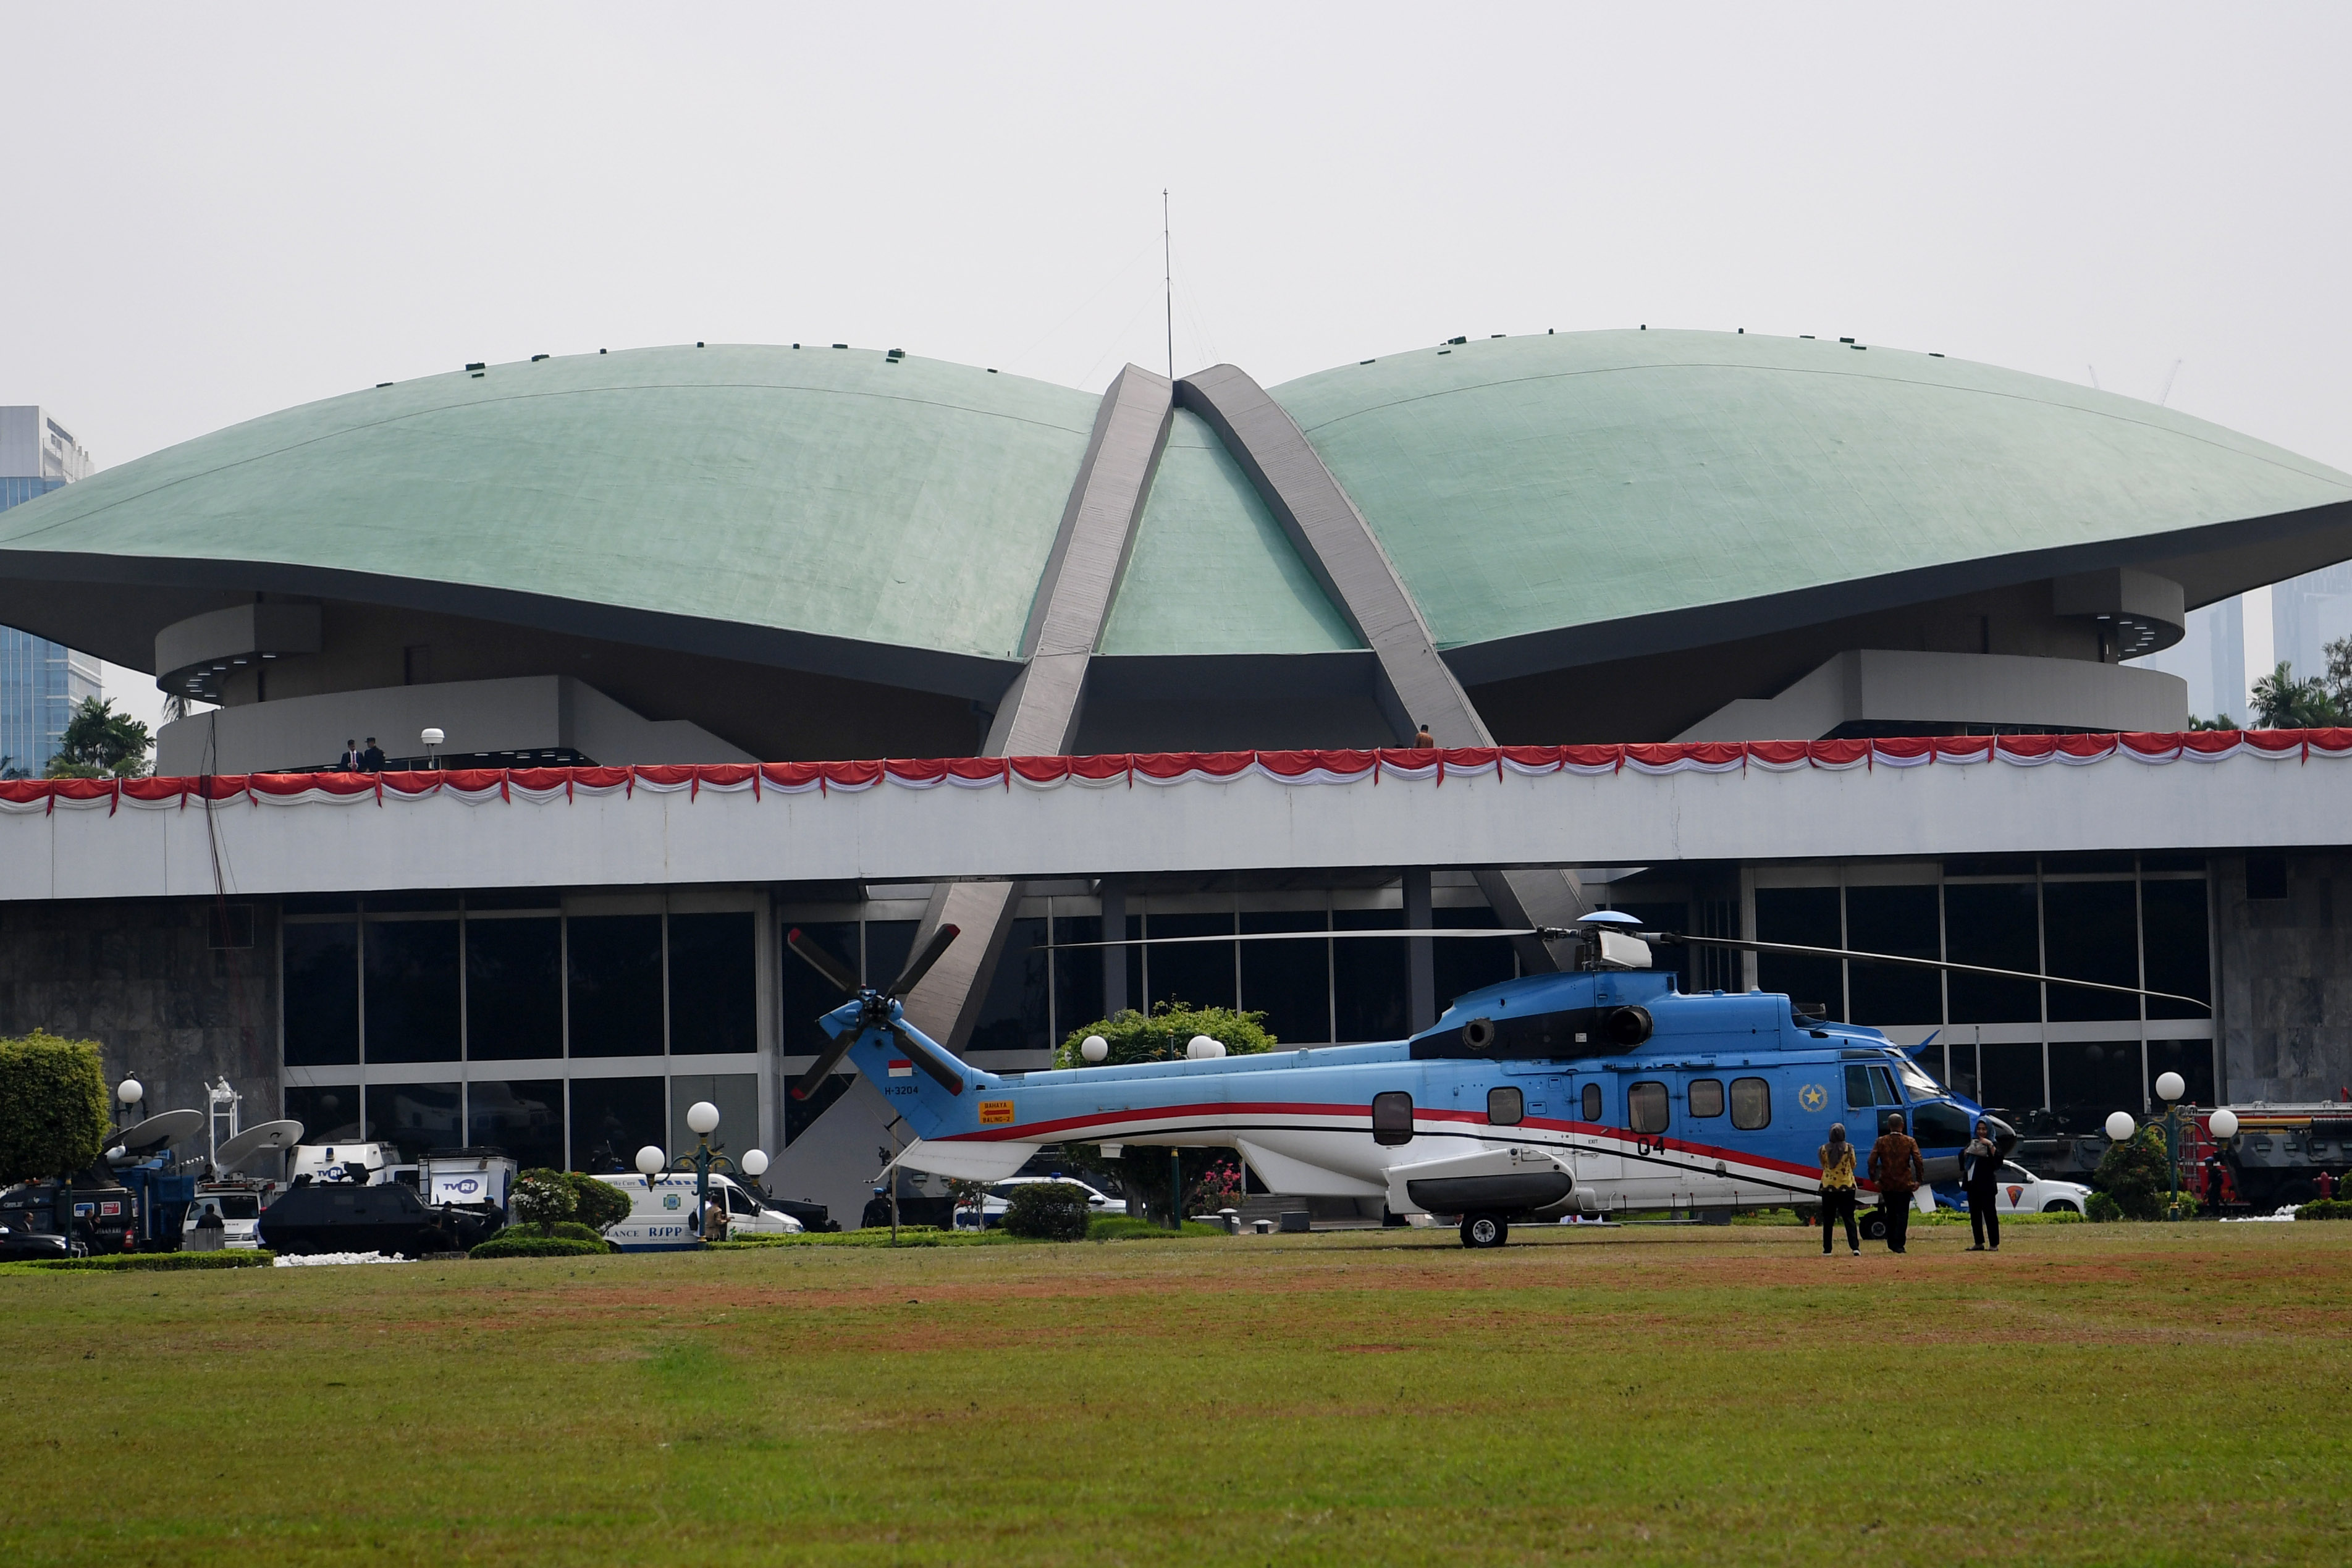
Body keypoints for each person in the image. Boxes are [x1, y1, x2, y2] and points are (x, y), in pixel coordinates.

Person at [1868, 1110, 1925, 1254]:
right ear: (1902, 1125)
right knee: (1903, 1213)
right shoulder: (1910, 1141)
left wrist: (1874, 1179)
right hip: (1904, 1183)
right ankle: (1899, 1243)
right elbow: (1918, 1160)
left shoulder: (1881, 1141)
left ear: (1889, 1126)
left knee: (1891, 1212)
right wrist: (1919, 1179)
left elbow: (1871, 1161)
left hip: (1887, 1183)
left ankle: (1891, 1241)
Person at [1818, 1122, 1860, 1256]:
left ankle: (1827, 1249)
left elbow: (1823, 1165)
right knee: (1849, 1218)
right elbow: (1853, 1164)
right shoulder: (1849, 1148)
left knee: (1828, 1220)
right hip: (1847, 1187)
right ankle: (1855, 1248)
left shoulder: (1823, 1149)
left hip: (1828, 1188)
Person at [1962, 1118, 2003, 1251]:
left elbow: (1998, 1162)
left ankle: (1994, 1244)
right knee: (1975, 1215)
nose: (1981, 1132)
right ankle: (1978, 1242)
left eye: (1984, 1129)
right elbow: (1963, 1161)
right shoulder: (1973, 1142)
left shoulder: (1994, 1144)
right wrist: (1966, 1153)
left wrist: (1990, 1145)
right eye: (1979, 1129)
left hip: (1986, 1186)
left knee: (1990, 1215)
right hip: (1972, 1185)